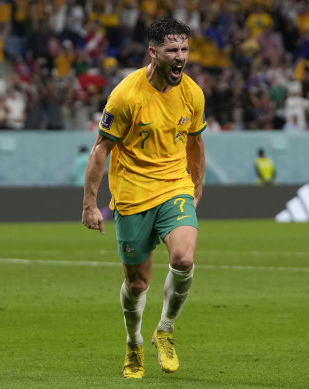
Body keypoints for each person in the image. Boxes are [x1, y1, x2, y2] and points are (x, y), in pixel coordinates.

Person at [81, 18, 206, 379]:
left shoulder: (192, 93)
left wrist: (196, 186)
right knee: (138, 284)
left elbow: (196, 142)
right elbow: (100, 151)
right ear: (153, 52)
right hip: (133, 195)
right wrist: (90, 204)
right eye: (172, 50)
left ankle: (164, 330)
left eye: (184, 49)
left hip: (174, 187)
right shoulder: (126, 95)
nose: (180, 56)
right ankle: (134, 342)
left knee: (184, 258)